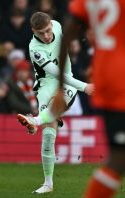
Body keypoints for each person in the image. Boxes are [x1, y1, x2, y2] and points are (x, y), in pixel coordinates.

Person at [52, 1, 125, 197]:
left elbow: (65, 36)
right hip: (120, 83)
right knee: (119, 158)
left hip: (106, 78)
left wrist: (59, 88)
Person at [16, 12, 94, 194]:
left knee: (52, 110)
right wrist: (85, 87)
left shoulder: (57, 25)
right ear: (33, 31)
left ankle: (35, 121)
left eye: (48, 30)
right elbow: (55, 72)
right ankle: (48, 184)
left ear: (51, 24)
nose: (46, 35)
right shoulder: (35, 49)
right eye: (41, 32)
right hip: (45, 86)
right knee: (49, 136)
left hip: (66, 84)